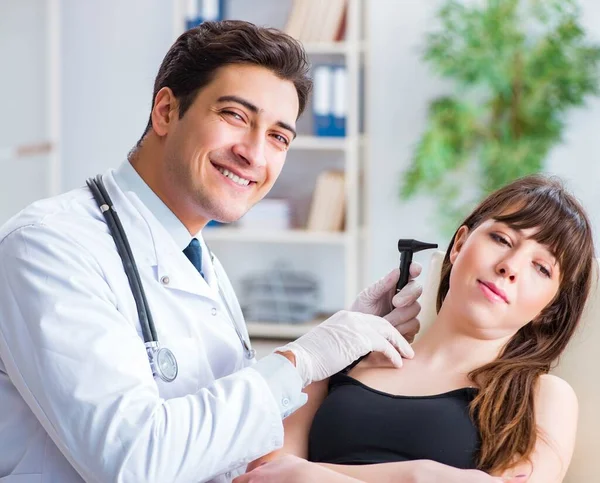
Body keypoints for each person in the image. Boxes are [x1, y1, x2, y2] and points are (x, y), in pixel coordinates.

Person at [0, 21, 423, 483]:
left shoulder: (196, 257)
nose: (254, 154)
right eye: (235, 116)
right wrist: (302, 359)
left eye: (279, 137)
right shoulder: (47, 246)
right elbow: (135, 461)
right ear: (166, 111)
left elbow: (227, 446)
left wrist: (334, 356)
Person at [240, 174, 596, 483]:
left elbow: (290, 474)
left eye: (541, 268)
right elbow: (263, 475)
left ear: (550, 310)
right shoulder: (342, 359)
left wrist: (311, 475)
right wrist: (428, 478)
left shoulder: (540, 397)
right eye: (502, 239)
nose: (510, 266)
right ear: (459, 245)